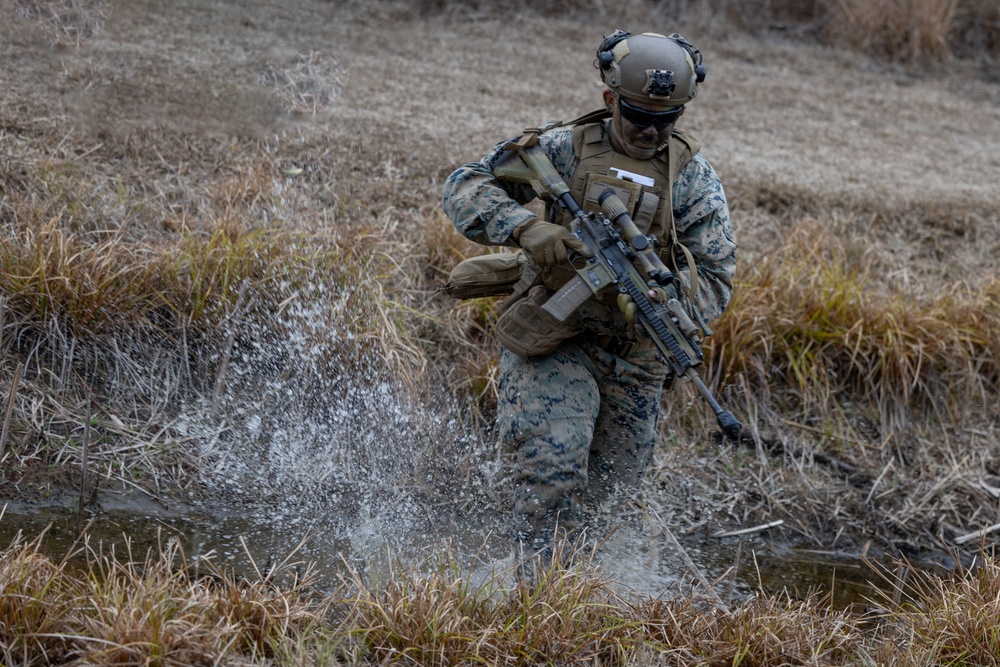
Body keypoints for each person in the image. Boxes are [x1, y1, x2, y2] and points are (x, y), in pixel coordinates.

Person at [442, 30, 737, 572]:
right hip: (555, 334)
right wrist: (527, 229)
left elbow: (718, 279)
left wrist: (664, 299)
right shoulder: (562, 149)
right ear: (610, 101)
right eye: (638, 115)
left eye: (666, 119)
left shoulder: (692, 181)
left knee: (609, 505)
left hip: (636, 355)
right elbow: (466, 185)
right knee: (551, 469)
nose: (651, 130)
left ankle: (585, 608)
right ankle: (528, 596)